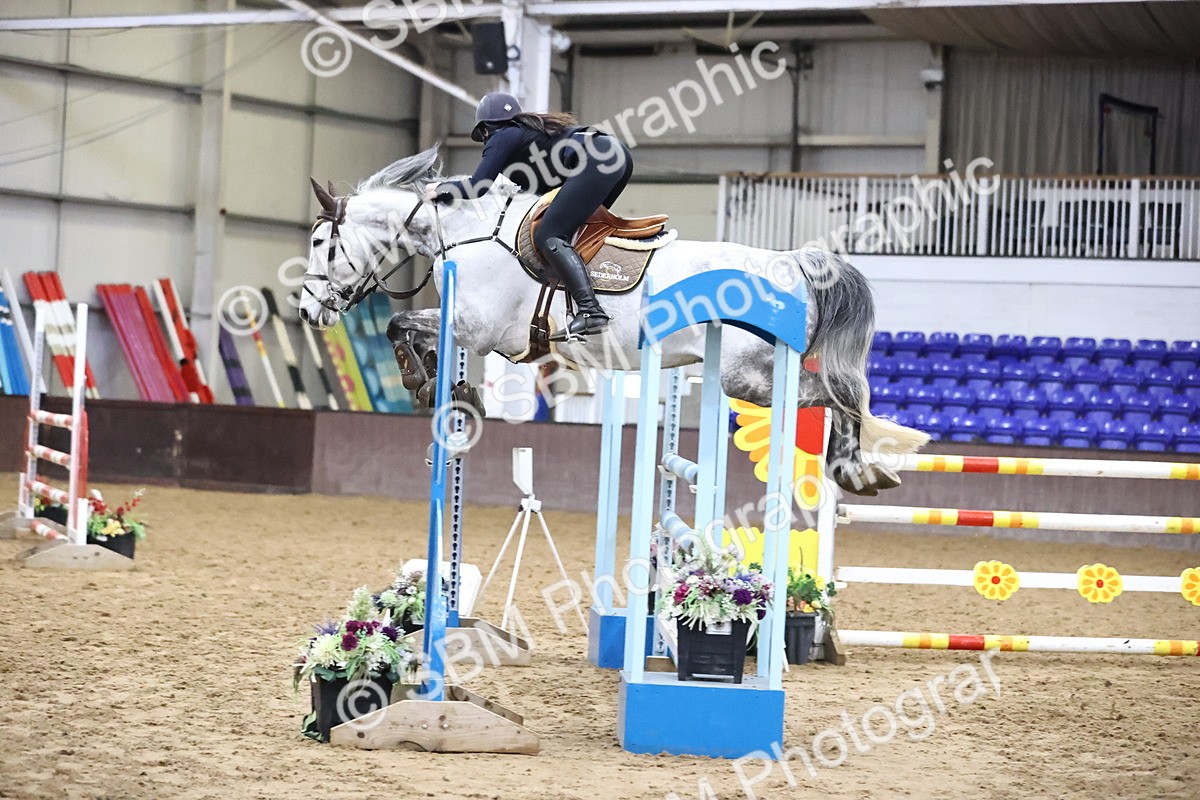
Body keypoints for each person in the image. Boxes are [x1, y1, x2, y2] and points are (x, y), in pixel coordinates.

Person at [426, 92, 633, 339]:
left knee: (549, 234)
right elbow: (547, 190)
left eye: (482, 136)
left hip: (596, 158)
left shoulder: (502, 135)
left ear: (485, 129)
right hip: (616, 155)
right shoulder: (530, 138)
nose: (484, 141)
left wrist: (440, 190)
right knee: (578, 232)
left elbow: (477, 185)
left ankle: (590, 312)